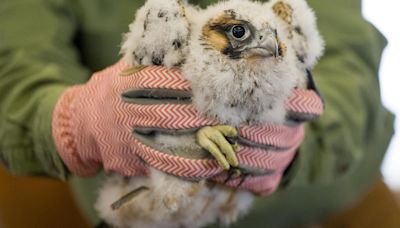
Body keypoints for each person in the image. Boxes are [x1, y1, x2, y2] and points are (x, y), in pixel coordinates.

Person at [0, 0, 394, 227]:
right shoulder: (164, 22)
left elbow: (349, 66)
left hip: (314, 201)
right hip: (138, 206)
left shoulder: (283, 22)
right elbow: (16, 62)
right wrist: (73, 121)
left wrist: (305, 141)